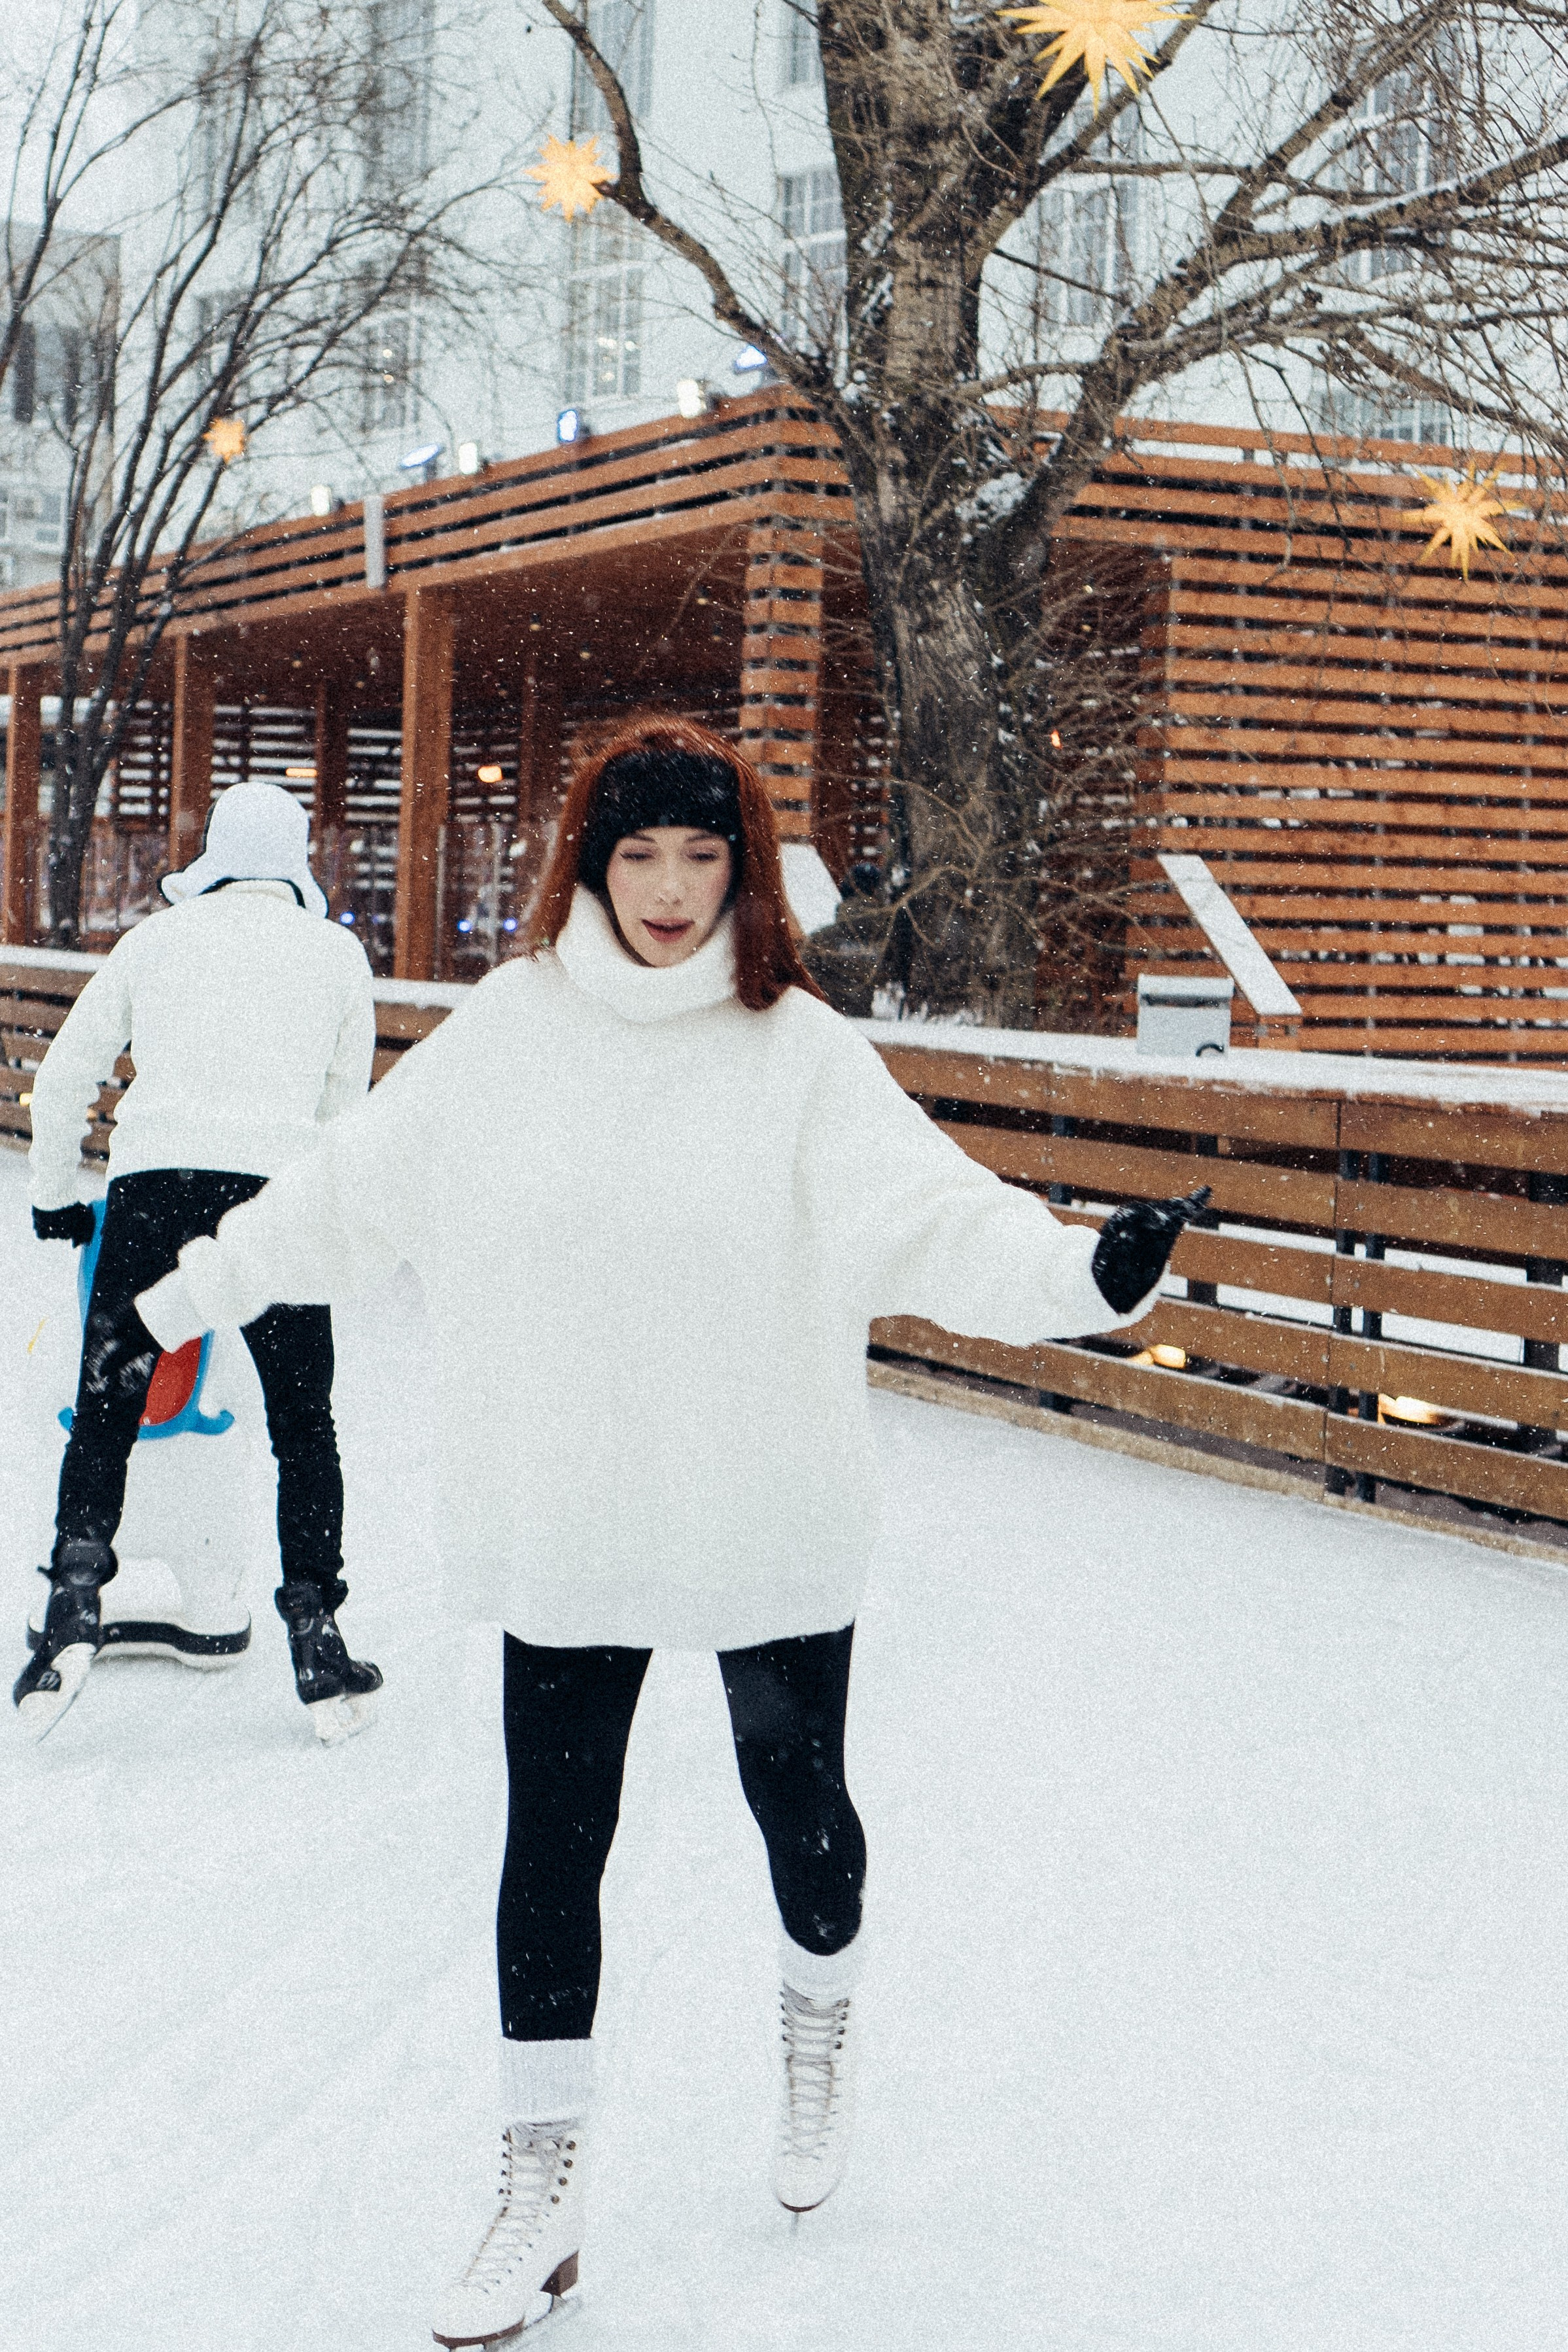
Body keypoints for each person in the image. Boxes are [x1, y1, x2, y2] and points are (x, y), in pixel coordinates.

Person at [132, 717, 1204, 2344]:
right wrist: (198, 1286)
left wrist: (1081, 1276)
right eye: (638, 853)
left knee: (803, 1818)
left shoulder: (795, 1055)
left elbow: (934, 1217)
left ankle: (815, 2016)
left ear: (745, 871)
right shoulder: (514, 1035)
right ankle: (540, 2187)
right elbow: (351, 1185)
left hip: (763, 1499)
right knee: (551, 1848)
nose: (668, 888)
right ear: (589, 859)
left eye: (702, 856)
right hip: (572, 1504)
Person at [15, 779, 382, 1744]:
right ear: (297, 854)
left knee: (108, 1407)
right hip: (279, 1203)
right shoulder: (337, 954)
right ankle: (315, 1624)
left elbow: (63, 1082)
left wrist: (55, 1196)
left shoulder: (154, 942)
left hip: (152, 1194)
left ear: (215, 851)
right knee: (304, 1426)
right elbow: (346, 1110)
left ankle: (77, 1596)